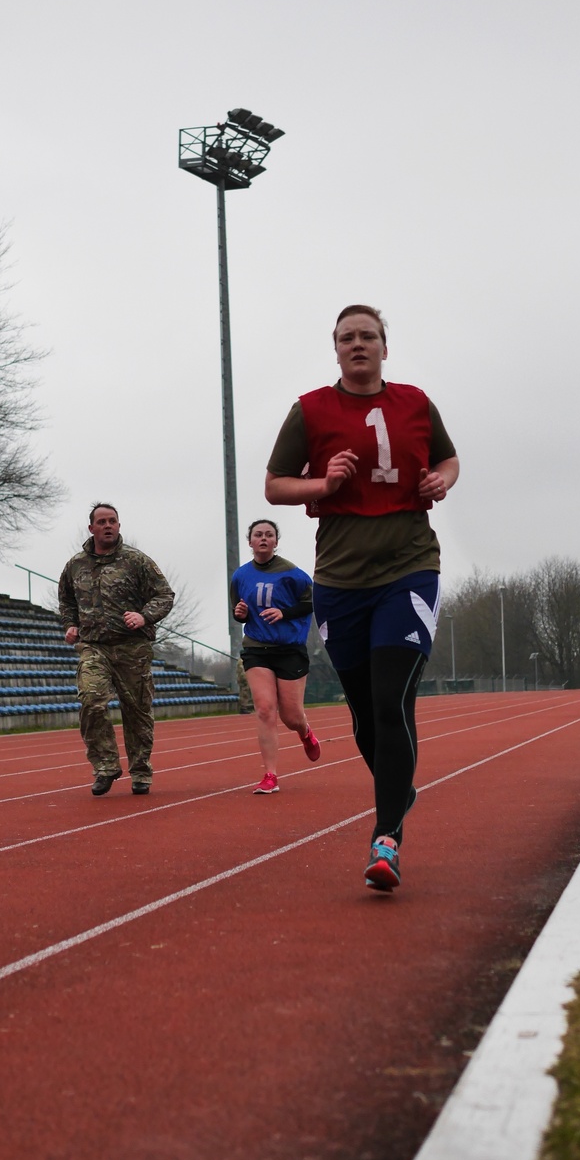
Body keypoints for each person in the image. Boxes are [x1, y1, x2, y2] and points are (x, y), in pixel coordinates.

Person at [265, 304, 459, 891]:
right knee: (364, 717)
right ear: (337, 349)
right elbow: (274, 484)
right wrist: (323, 484)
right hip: (341, 580)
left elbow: (448, 459)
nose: (358, 344)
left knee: (391, 700)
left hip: (408, 568)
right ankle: (401, 790)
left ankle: (386, 836)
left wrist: (440, 480)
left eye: (368, 336)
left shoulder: (416, 403)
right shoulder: (310, 410)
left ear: (383, 346)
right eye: (347, 338)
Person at [58, 503, 175, 796]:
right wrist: (70, 624)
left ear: (119, 526)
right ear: (92, 528)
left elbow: (164, 595)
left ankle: (140, 771)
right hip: (94, 647)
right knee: (91, 700)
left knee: (137, 711)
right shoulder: (75, 565)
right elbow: (66, 600)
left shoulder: (136, 561)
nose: (107, 525)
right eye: (102, 521)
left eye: (112, 521)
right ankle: (106, 766)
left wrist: (144, 616)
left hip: (132, 647)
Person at [231, 519, 320, 794]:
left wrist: (285, 613)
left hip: (290, 648)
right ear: (250, 542)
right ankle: (270, 775)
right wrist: (240, 615)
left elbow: (314, 602)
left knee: (291, 717)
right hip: (257, 648)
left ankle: (305, 732)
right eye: (258, 535)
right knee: (266, 709)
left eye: (269, 535)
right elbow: (236, 610)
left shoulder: (293, 573)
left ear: (276, 541)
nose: (263, 539)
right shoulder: (241, 576)